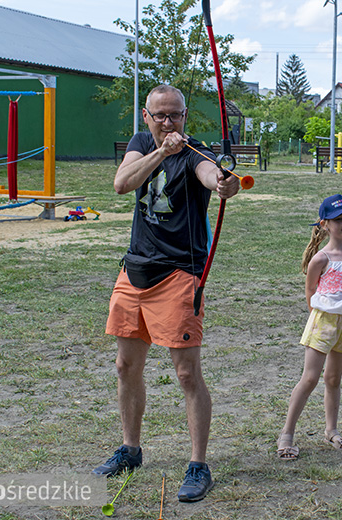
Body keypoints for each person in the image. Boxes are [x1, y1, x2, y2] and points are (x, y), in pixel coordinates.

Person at [93, 84, 239, 504]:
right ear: (146, 116)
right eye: (160, 115)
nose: (168, 123)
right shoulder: (142, 145)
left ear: (185, 115)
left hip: (178, 275)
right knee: (126, 365)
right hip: (134, 271)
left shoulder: (196, 152)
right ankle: (131, 449)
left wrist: (224, 185)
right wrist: (161, 151)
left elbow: (212, 175)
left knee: (187, 373)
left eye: (175, 115)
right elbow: (122, 184)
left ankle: (198, 465)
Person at [276, 194, 342, 460]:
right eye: (339, 220)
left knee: (333, 379)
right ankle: (287, 434)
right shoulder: (321, 259)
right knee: (309, 378)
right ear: (324, 224)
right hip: (324, 322)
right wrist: (319, 317)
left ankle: (331, 430)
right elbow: (310, 291)